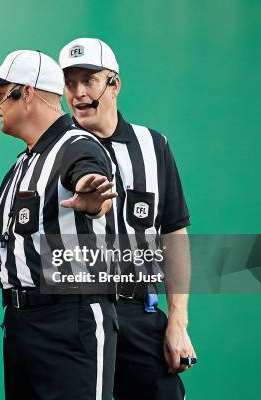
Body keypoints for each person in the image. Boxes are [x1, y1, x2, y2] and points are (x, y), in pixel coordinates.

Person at [0, 50, 118, 400]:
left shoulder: (76, 145)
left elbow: (92, 180)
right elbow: (25, 263)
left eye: (1, 96)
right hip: (21, 323)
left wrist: (94, 199)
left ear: (25, 93)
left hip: (70, 321)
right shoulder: (20, 166)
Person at [58, 37, 197, 400]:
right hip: (79, 315)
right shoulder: (53, 150)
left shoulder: (153, 145)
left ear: (114, 84)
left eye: (89, 80)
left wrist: (177, 321)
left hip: (139, 313)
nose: (78, 93)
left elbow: (173, 234)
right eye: (70, 82)